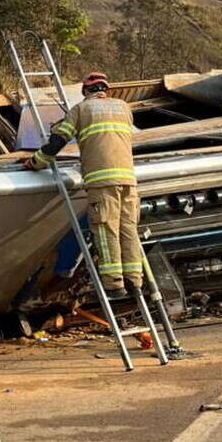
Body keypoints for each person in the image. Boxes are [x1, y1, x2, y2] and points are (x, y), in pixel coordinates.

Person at [24, 72, 140, 298]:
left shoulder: (81, 110)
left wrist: (36, 162)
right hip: (128, 180)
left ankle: (114, 283)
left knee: (107, 230)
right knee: (128, 230)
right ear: (106, 89)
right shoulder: (124, 108)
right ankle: (135, 281)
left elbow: (57, 142)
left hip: (101, 181)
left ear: (86, 91)